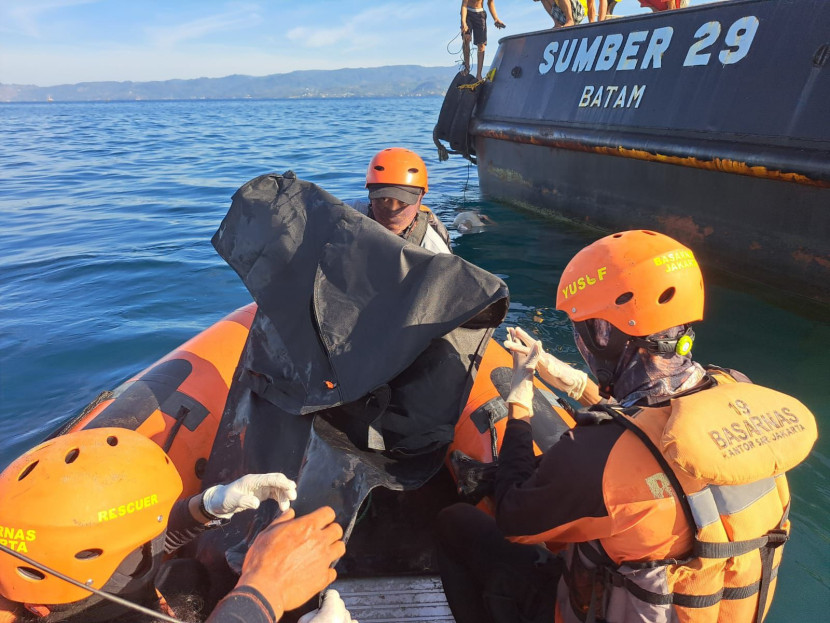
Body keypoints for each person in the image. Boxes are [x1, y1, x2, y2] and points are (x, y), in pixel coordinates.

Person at [437, 230, 817, 622]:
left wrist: (520, 400)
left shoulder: (595, 458)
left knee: (455, 524)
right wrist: (572, 382)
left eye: (584, 329)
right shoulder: (740, 390)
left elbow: (514, 518)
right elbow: (656, 424)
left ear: (606, 337)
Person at [0, 428, 352, 623]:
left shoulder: (38, 573)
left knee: (186, 575)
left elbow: (126, 553)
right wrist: (264, 592)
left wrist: (208, 506)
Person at [352, 147, 451, 254]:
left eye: (403, 201)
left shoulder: (434, 250)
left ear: (421, 197)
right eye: (383, 199)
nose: (392, 210)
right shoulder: (349, 215)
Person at [461, 1, 505, 81]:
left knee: (481, 45)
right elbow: (464, 5)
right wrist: (463, 22)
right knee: (466, 39)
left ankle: (479, 75)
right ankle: (467, 68)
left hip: (480, 14)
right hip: (467, 12)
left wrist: (496, 19)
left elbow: (490, 3)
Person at [535, 0, 607, 27]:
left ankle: (570, 20)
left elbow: (591, 2)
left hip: (578, 12)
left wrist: (592, 22)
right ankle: (557, 24)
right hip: (562, 13)